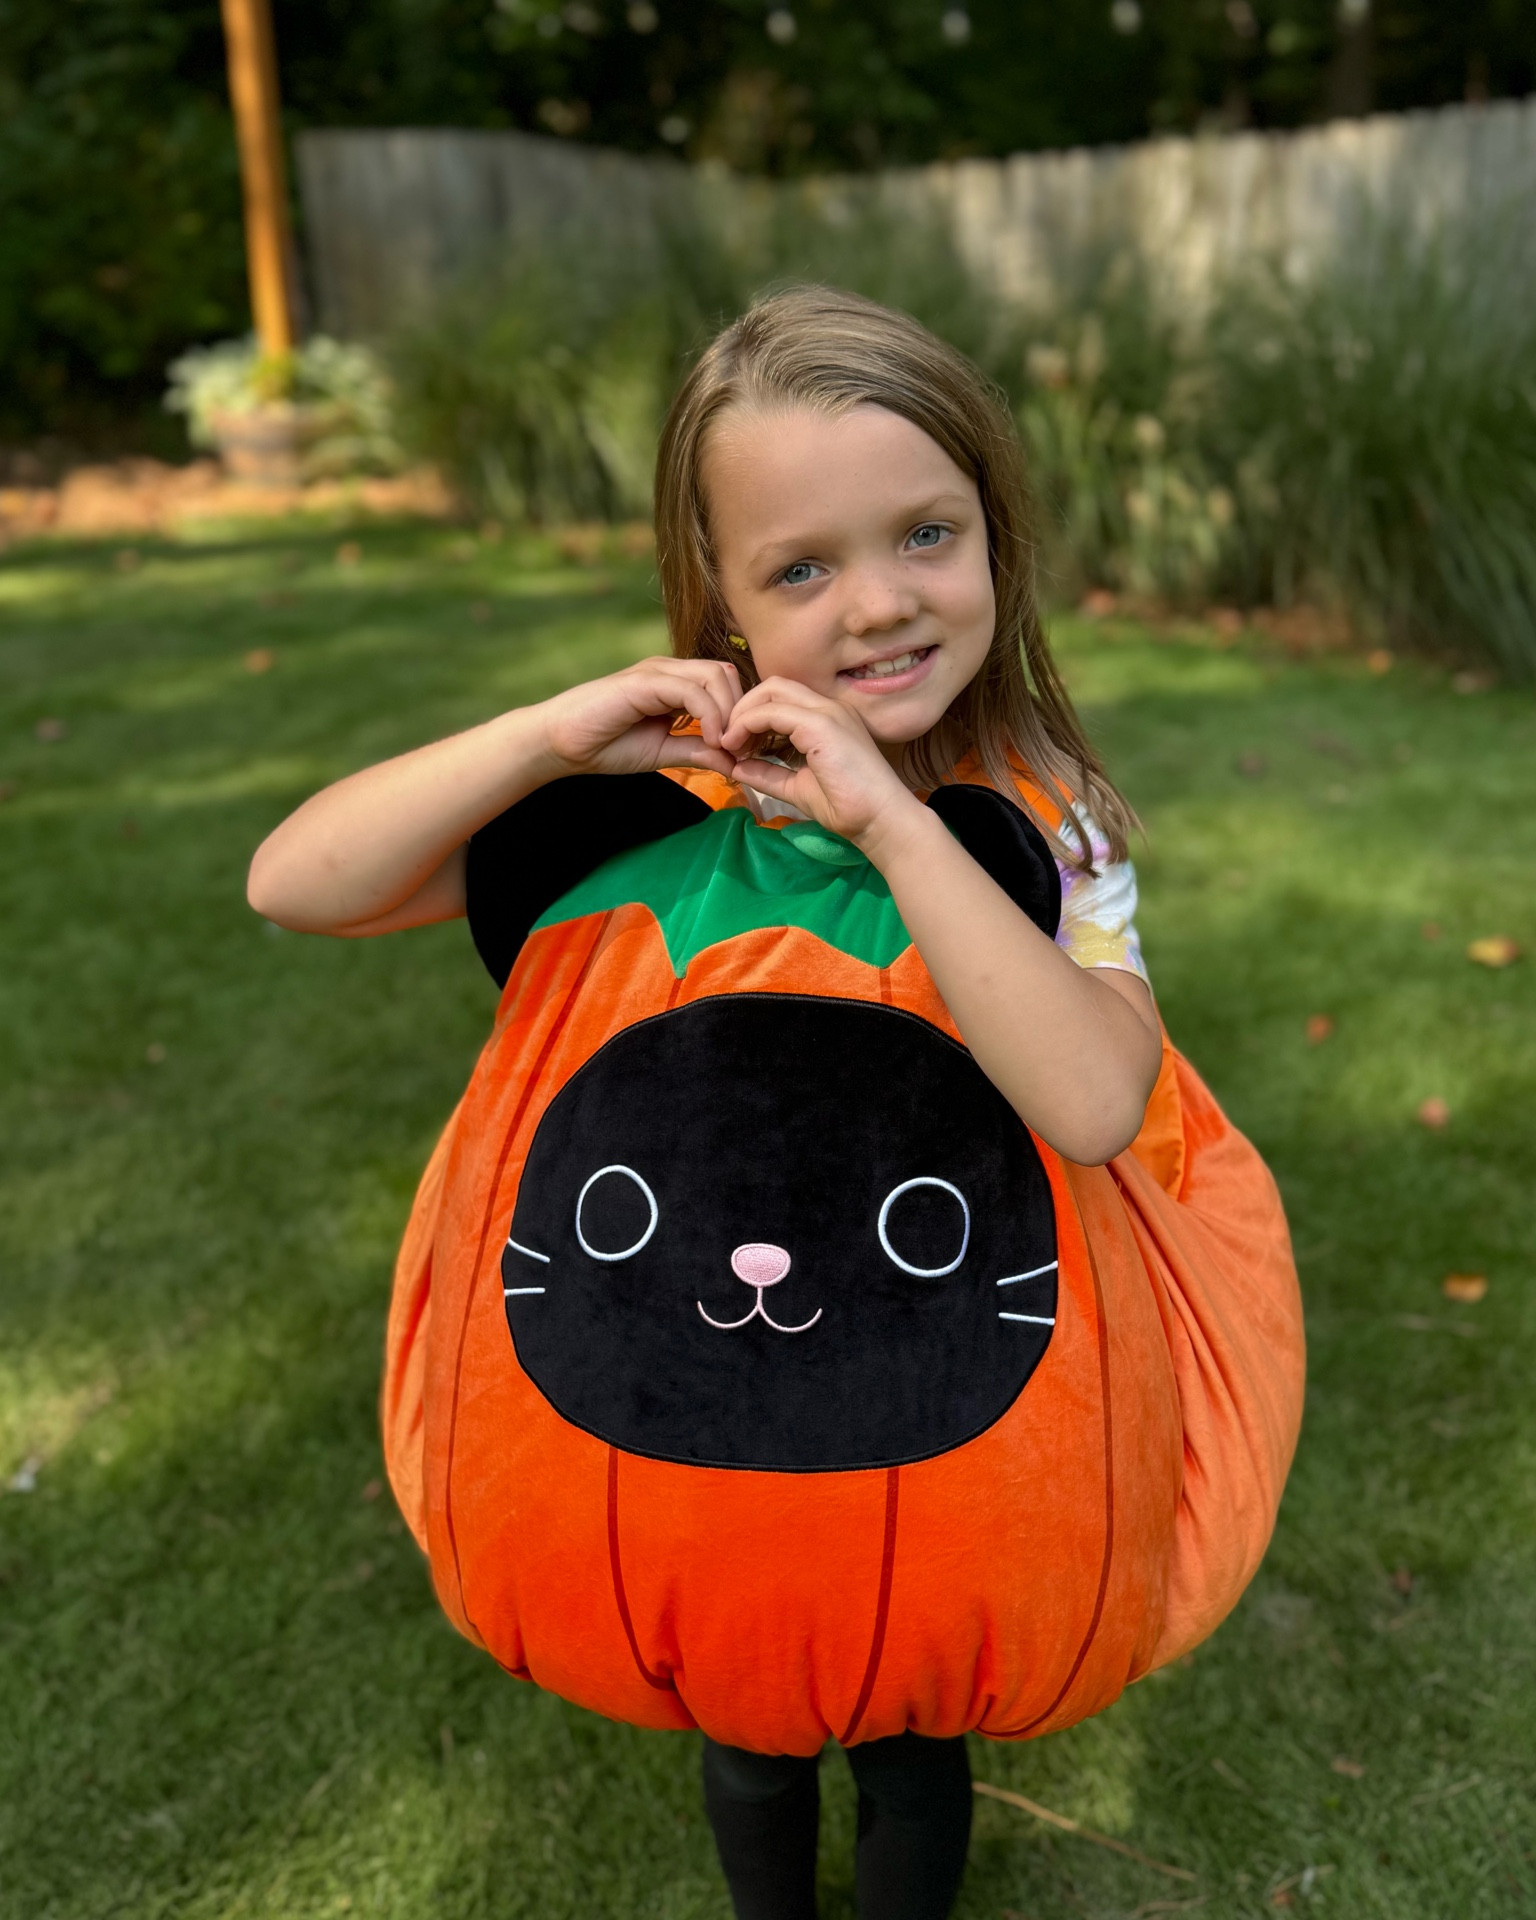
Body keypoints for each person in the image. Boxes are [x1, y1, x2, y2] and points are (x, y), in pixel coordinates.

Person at [248, 287, 1302, 1920]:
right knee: (744, 1738)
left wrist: (896, 822)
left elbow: (1096, 1103)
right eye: (801, 569)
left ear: (999, 537)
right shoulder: (656, 820)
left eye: (926, 535)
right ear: (723, 602)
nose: (878, 604)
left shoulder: (1051, 824)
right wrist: (546, 736)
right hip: (696, 1390)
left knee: (908, 1748)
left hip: (931, 1389)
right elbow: (296, 883)